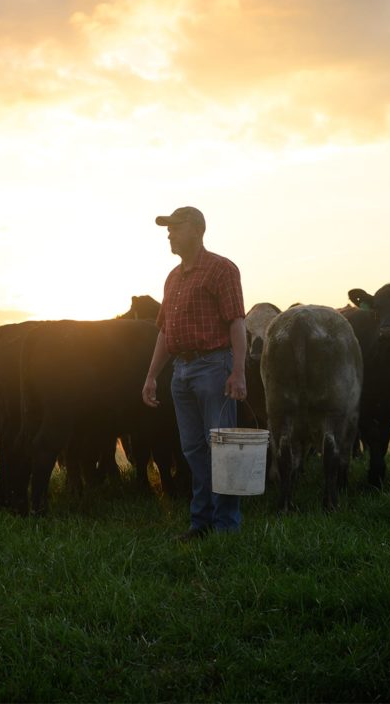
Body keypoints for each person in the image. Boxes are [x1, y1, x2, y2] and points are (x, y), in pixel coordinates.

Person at [141, 206, 247, 541]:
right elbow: (164, 331)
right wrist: (152, 375)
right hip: (182, 370)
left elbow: (237, 321)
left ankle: (226, 525)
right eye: (167, 228)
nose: (169, 233)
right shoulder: (173, 277)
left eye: (175, 227)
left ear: (196, 229)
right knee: (192, 449)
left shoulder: (221, 270)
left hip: (214, 366)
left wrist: (239, 372)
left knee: (221, 445)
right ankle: (201, 522)